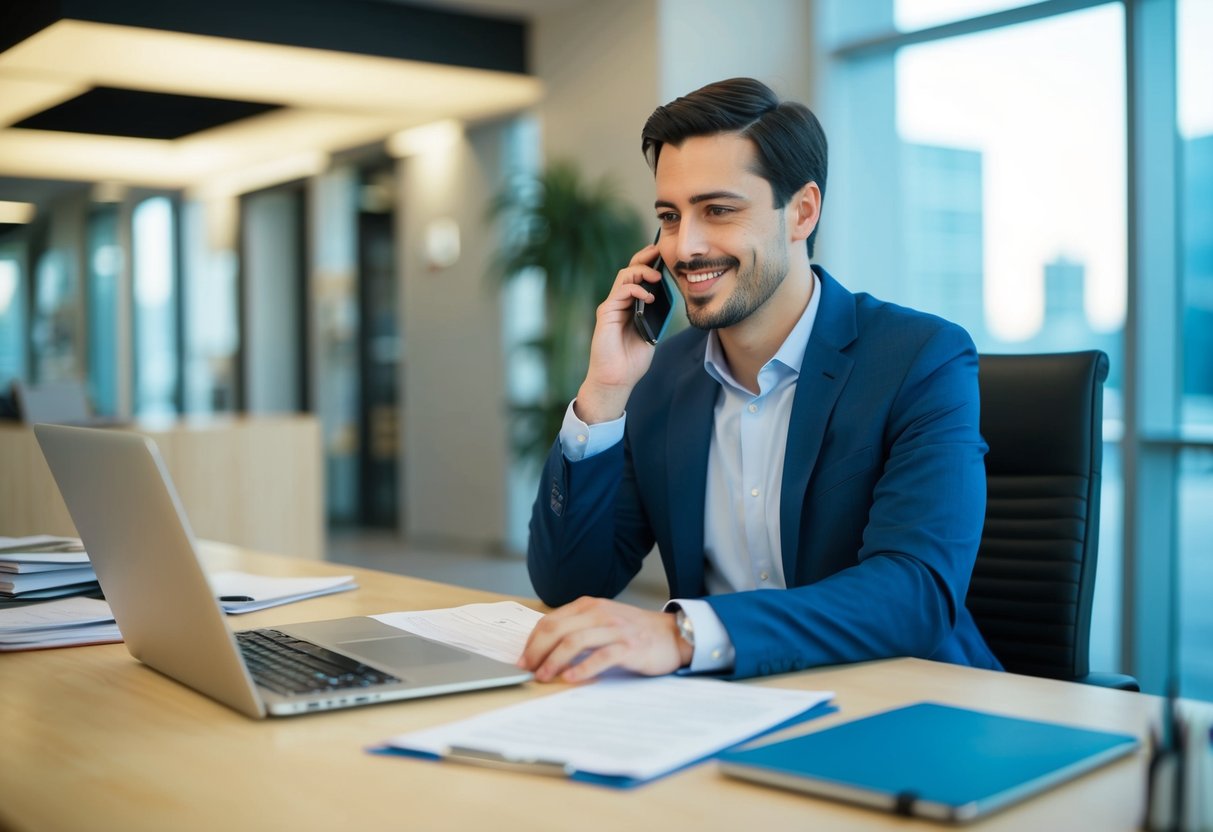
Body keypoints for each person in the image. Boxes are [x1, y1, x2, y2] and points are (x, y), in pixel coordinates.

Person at [518, 77, 1002, 684]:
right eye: (669, 217)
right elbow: (570, 585)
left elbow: (916, 592)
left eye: (718, 210)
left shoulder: (920, 358)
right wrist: (605, 394)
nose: (684, 247)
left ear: (801, 212)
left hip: (902, 703)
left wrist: (684, 633)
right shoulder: (665, 376)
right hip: (724, 714)